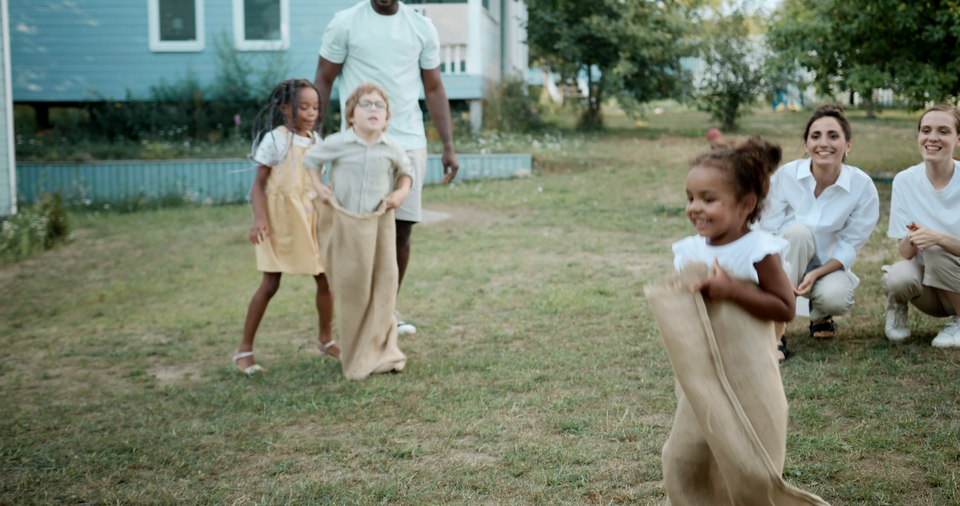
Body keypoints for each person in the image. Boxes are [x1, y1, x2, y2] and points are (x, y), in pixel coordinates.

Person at [662, 137, 824, 503]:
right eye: (690, 197)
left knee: (751, 454)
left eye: (709, 199)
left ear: (746, 204)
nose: (695, 208)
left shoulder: (758, 250)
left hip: (749, 372)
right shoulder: (689, 250)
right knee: (683, 456)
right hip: (701, 375)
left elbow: (785, 307)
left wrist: (732, 290)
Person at [314, 0, 460, 336]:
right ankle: (358, 312)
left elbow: (434, 87)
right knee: (359, 233)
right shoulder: (345, 23)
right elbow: (323, 78)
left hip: (408, 142)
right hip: (358, 145)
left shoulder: (421, 27)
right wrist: (315, 139)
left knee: (402, 230)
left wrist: (448, 145)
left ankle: (384, 312)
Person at [305, 83, 414, 379]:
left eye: (380, 106)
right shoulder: (338, 143)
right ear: (351, 115)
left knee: (383, 283)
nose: (373, 110)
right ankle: (356, 357)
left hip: (379, 226)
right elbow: (311, 161)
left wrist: (402, 192)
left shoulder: (392, 147)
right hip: (346, 226)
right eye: (365, 104)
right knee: (353, 288)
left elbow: (406, 173)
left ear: (387, 117)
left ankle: (382, 351)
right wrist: (319, 186)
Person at [233, 78, 339, 375]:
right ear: (284, 108)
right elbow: (259, 184)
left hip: (310, 219)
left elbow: (317, 180)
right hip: (279, 222)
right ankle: (244, 349)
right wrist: (259, 219)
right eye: (303, 107)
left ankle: (326, 339)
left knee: (325, 280)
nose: (311, 113)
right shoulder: (276, 140)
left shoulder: (318, 142)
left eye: (315, 107)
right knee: (270, 283)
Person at [759, 104, 880, 359]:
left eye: (833, 136)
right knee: (798, 233)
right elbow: (767, 231)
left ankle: (820, 313)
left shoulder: (862, 186)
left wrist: (816, 274)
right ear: (806, 145)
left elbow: (849, 246)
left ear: (848, 145)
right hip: (783, 261)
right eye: (816, 136)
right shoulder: (786, 176)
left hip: (825, 267)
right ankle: (775, 331)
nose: (823, 143)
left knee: (837, 298)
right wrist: (776, 276)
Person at [883, 104, 960, 347]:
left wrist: (938, 238)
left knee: (936, 249)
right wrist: (914, 237)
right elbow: (905, 253)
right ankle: (896, 308)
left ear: (958, 139)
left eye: (943, 131)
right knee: (898, 277)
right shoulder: (905, 181)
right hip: (929, 287)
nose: (932, 138)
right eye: (926, 130)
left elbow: (938, 243)